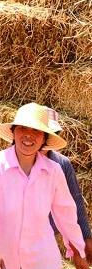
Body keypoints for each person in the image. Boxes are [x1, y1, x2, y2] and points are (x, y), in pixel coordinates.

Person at [0, 103, 91, 269]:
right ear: (13, 132)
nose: (28, 135)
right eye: (22, 128)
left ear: (45, 138)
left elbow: (66, 215)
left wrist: (77, 252)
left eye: (36, 131)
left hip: (43, 267)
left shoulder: (54, 171)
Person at [44, 108, 92, 260]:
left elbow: (75, 200)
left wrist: (86, 237)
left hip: (46, 236)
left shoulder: (62, 164)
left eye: (52, 134)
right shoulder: (7, 163)